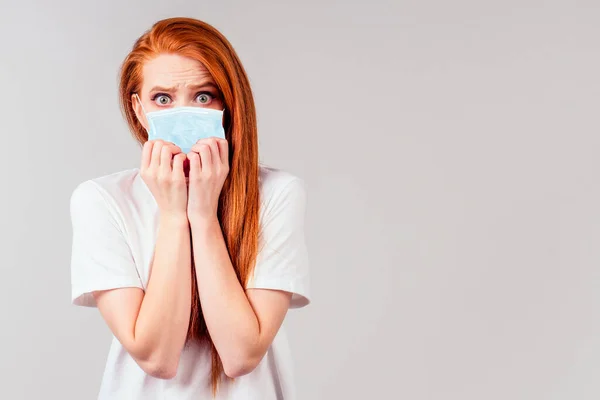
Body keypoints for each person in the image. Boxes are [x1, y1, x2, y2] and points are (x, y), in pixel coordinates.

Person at [68, 17, 310, 400]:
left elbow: (241, 353)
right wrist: (173, 216)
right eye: (162, 99)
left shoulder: (277, 193)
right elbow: (157, 357)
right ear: (139, 110)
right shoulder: (101, 200)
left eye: (203, 96)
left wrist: (202, 213)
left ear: (229, 104)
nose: (184, 111)